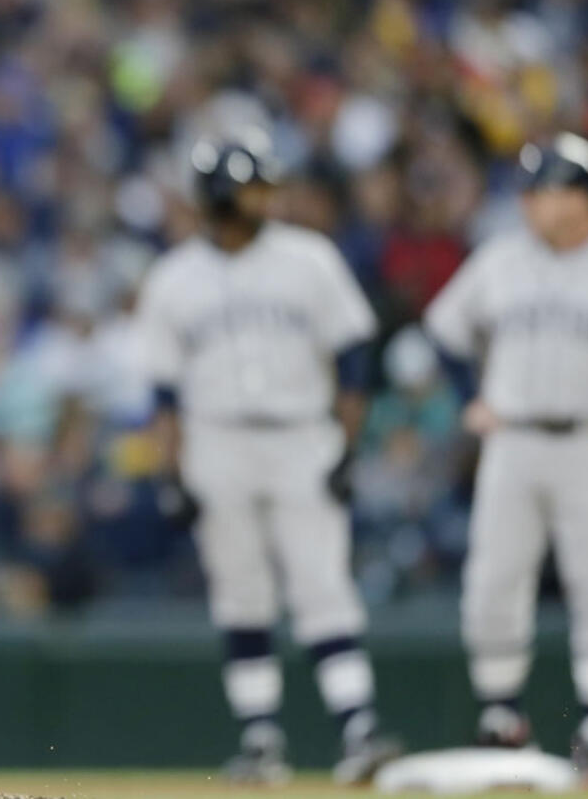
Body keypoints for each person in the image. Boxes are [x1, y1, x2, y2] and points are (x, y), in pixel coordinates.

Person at [137, 136, 400, 784]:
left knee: (323, 586)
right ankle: (261, 742)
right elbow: (164, 392)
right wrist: (170, 472)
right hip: (216, 440)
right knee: (240, 593)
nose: (265, 198)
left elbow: (354, 359)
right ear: (218, 197)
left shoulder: (308, 259)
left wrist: (345, 446)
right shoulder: (174, 277)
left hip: (299, 436)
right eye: (252, 188)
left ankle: (358, 728)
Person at [425, 132, 588, 785]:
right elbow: (445, 333)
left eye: (545, 190)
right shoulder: (501, 261)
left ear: (583, 197)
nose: (531, 204)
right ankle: (501, 716)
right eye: (529, 191)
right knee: (495, 578)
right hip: (515, 438)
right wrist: (474, 397)